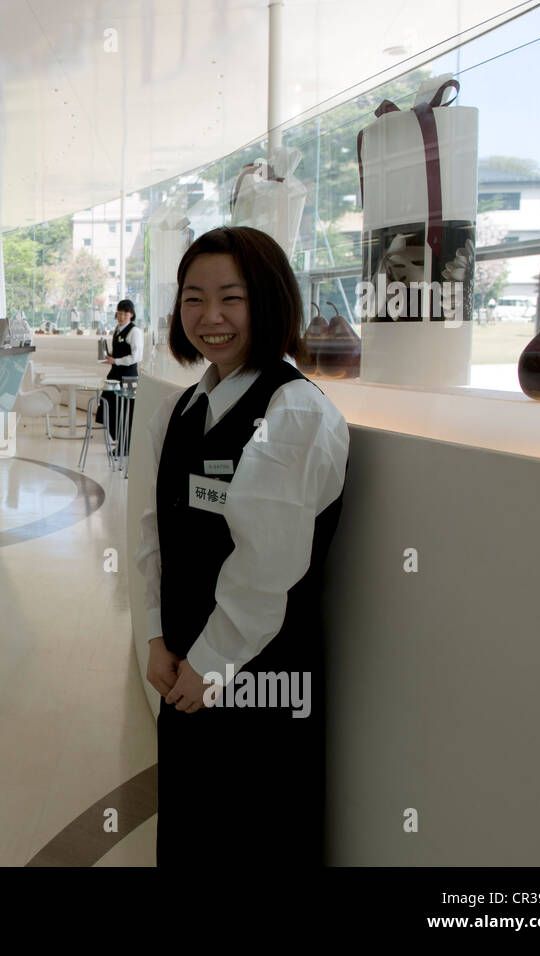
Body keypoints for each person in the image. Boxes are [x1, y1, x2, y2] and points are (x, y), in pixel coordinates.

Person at [135, 226, 350, 868]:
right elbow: (155, 533)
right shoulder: (181, 410)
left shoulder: (294, 414)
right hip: (186, 664)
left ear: (271, 300)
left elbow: (270, 566)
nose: (212, 317)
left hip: (259, 675)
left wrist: (213, 662)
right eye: (193, 298)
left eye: (233, 297)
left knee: (255, 828)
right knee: (193, 823)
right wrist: (155, 634)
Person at [94, 299, 143, 447]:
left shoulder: (135, 331)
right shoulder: (116, 330)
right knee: (107, 406)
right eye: (119, 313)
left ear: (131, 315)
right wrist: (107, 358)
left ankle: (126, 445)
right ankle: (118, 440)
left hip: (129, 376)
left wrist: (116, 361)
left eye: (125, 314)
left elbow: (137, 357)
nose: (121, 317)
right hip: (114, 375)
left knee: (127, 410)